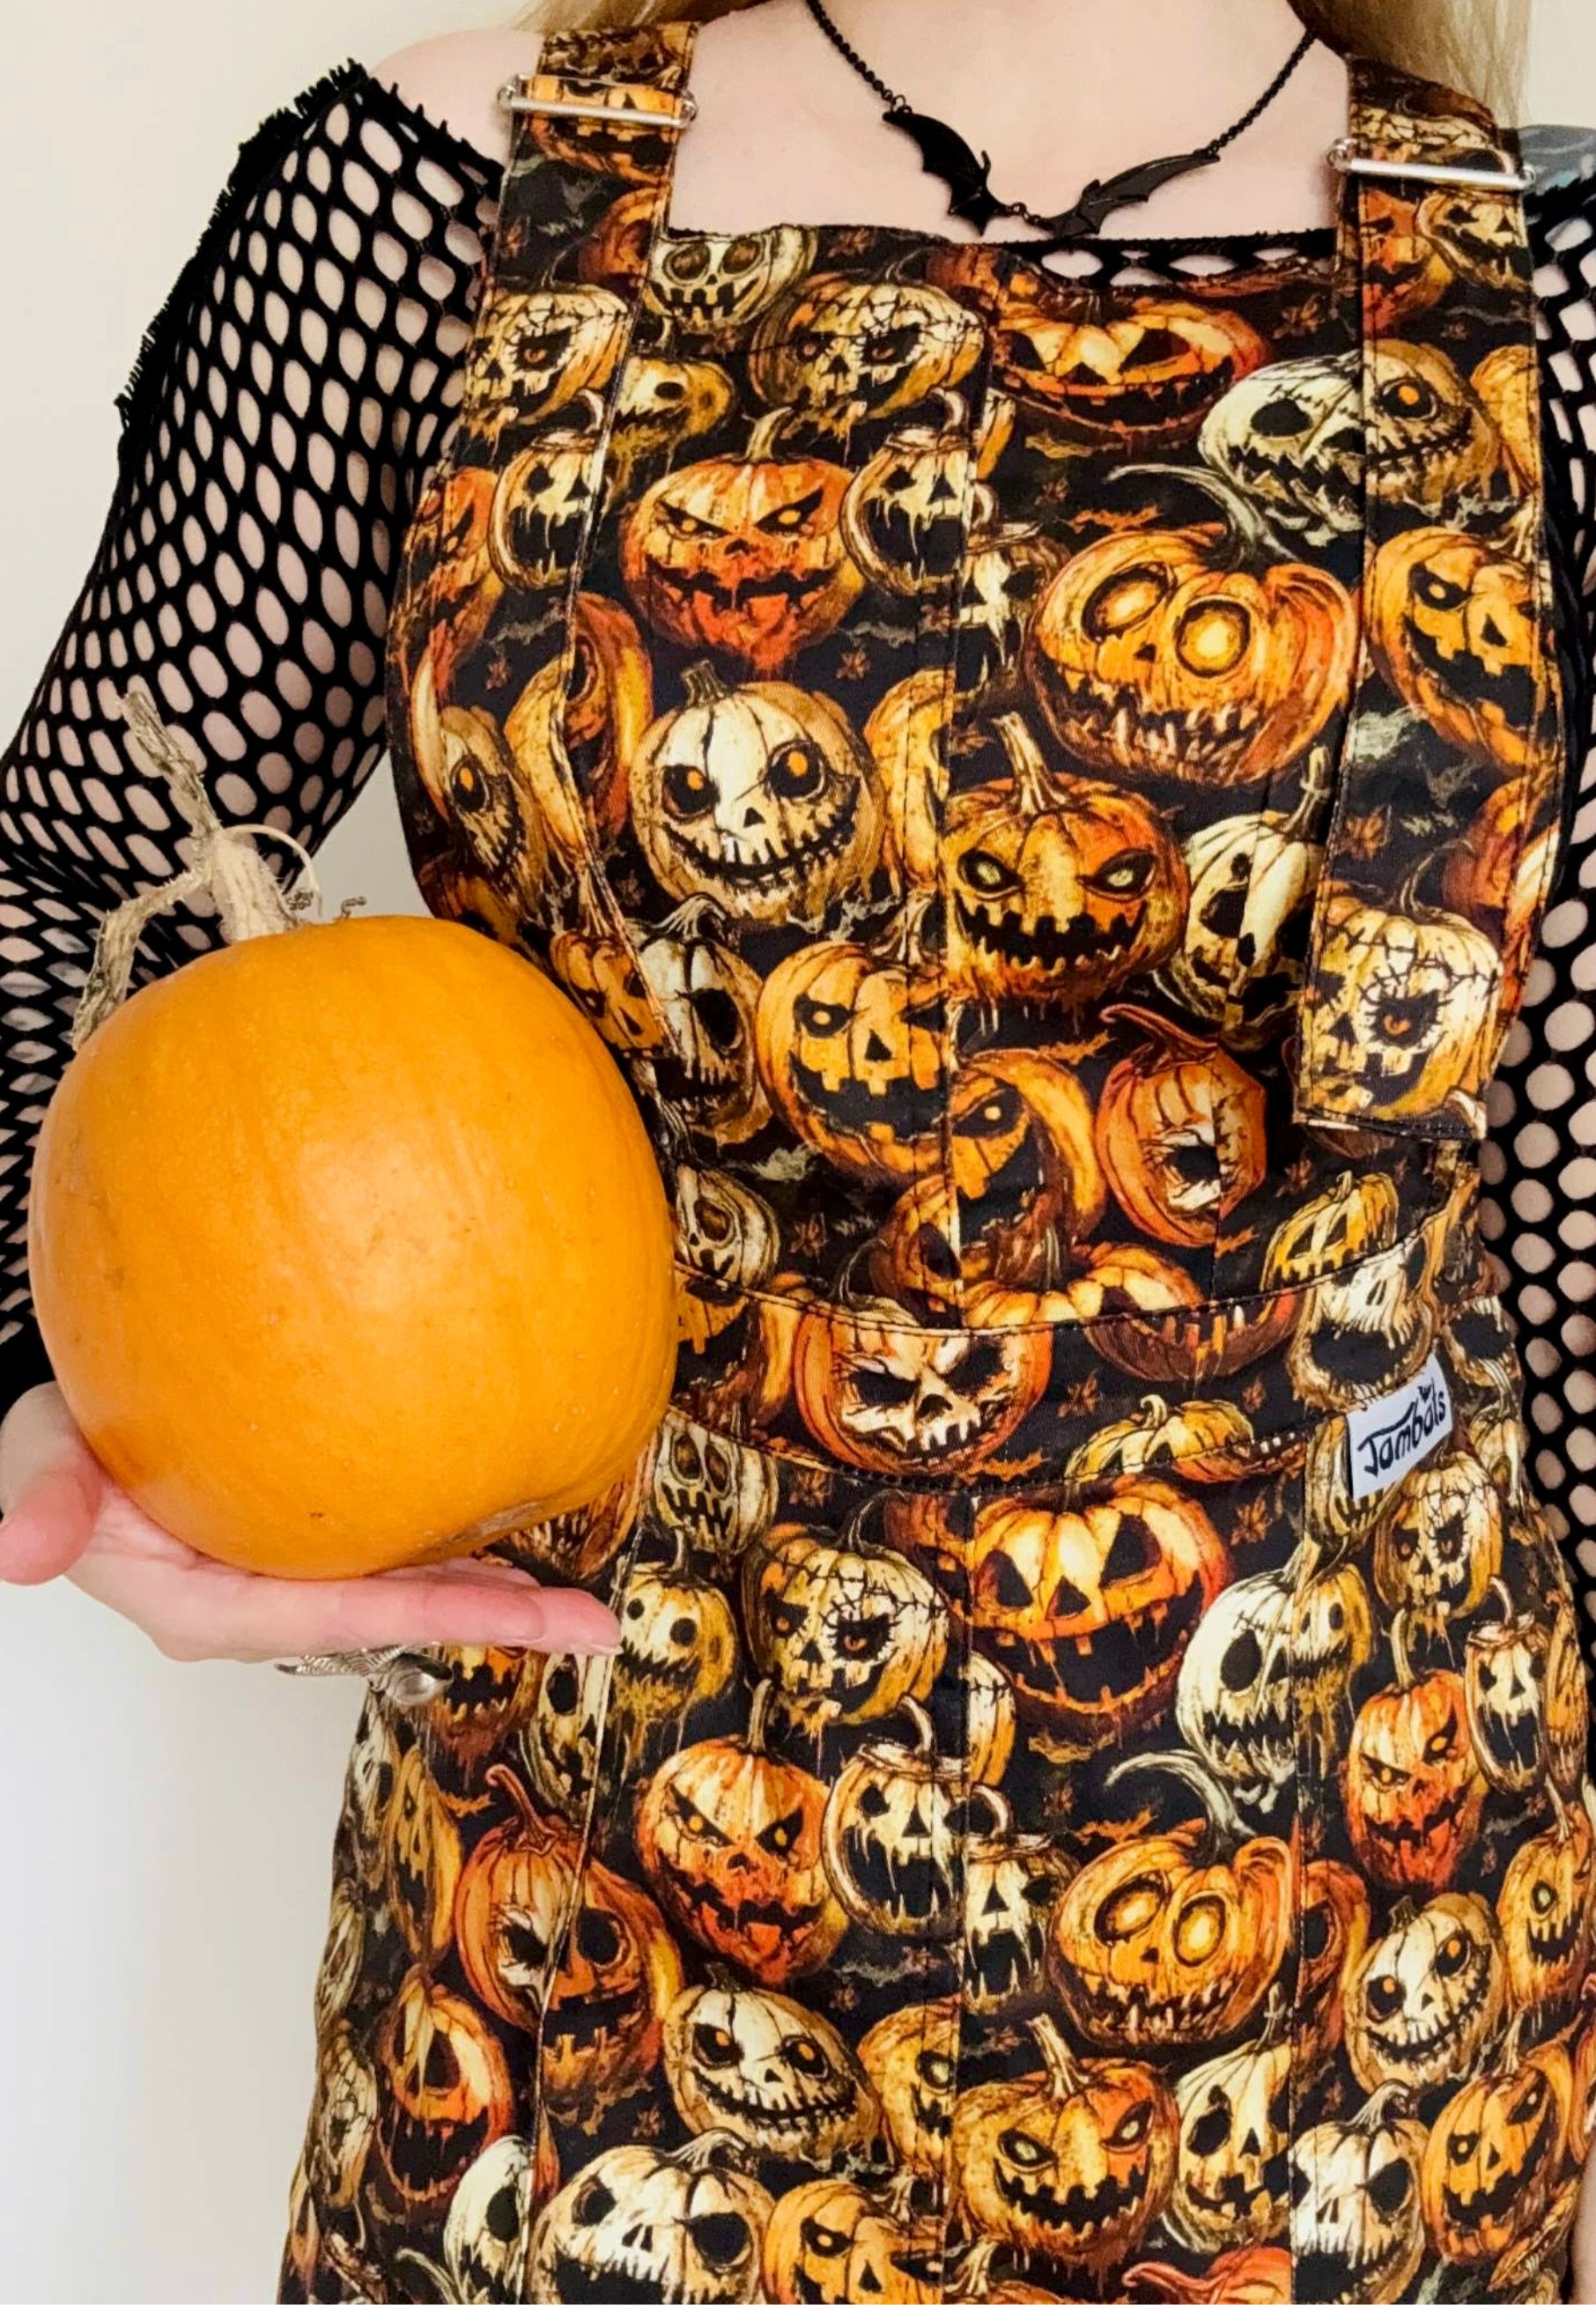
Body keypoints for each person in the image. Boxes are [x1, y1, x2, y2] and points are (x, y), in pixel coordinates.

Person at [4, 0, 1596, 2295]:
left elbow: (1558, 1180)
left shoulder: (1540, 287)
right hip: (588, 1919)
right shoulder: (443, 193)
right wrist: (50, 1382)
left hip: (1364, 1940)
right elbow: (68, 866)